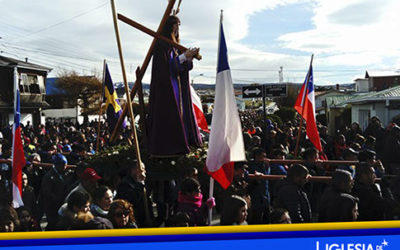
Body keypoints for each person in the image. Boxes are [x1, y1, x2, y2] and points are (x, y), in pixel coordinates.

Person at [147, 15, 202, 156]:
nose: (177, 31)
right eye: (174, 27)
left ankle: (186, 139)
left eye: (178, 28)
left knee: (182, 114)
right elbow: (167, 67)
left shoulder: (173, 46)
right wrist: (184, 57)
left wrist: (187, 57)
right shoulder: (161, 45)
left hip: (177, 86)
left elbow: (180, 67)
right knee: (172, 116)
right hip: (168, 89)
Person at [40, 153, 70, 230]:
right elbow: (47, 192)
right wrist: (57, 199)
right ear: (57, 165)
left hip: (62, 203)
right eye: (63, 165)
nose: (65, 167)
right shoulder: (49, 176)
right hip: (52, 206)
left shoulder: (65, 174)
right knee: (53, 224)